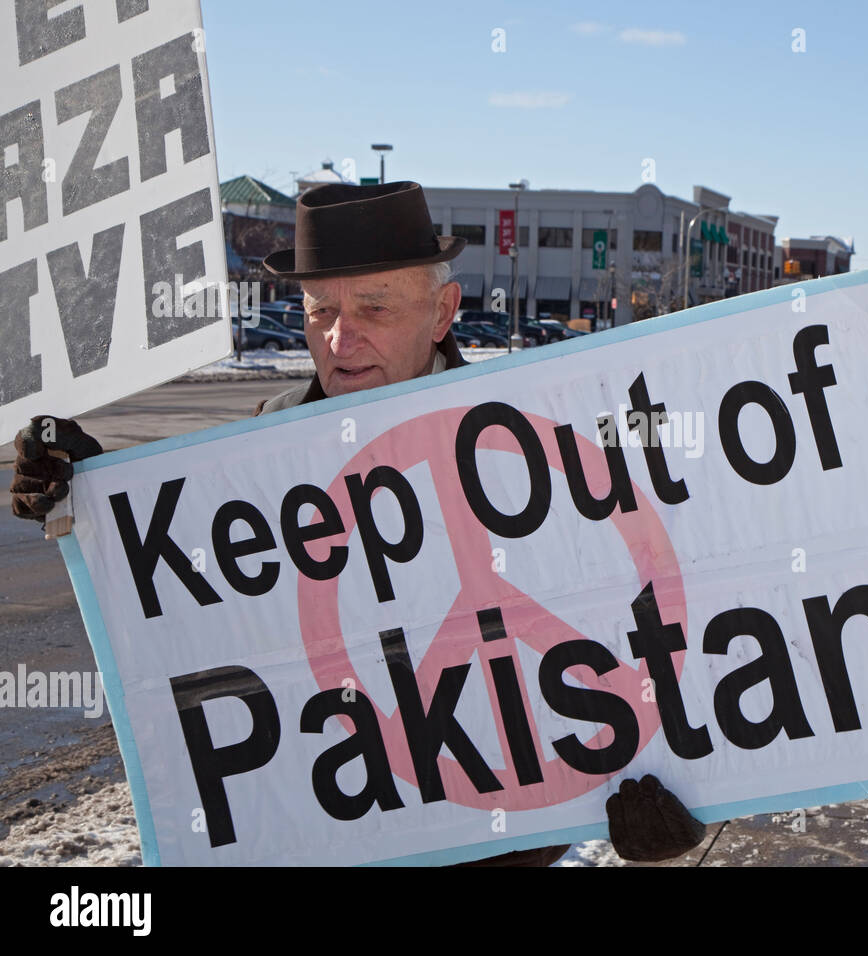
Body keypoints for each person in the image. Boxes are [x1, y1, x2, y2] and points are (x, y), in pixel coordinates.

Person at [10, 181, 704, 867]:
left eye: (374, 306)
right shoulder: (266, 436)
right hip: (334, 829)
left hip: (500, 847)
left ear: (442, 312)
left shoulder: (532, 432)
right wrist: (94, 493)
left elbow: (652, 614)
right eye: (319, 311)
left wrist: (676, 796)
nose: (340, 338)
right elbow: (195, 585)